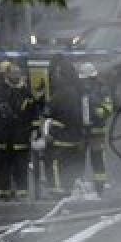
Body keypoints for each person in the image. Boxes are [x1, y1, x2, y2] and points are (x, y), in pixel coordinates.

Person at [0, 61, 40, 200]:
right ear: (7, 74)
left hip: (21, 139)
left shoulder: (26, 93)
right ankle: (3, 195)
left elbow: (34, 115)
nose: (16, 75)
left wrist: (35, 131)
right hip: (2, 139)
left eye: (18, 73)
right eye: (13, 73)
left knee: (21, 168)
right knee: (2, 167)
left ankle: (22, 196)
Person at [42, 57, 86, 196]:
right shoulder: (79, 92)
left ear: (63, 75)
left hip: (59, 139)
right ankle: (69, 189)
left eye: (57, 73)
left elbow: (46, 116)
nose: (55, 76)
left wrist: (45, 133)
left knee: (53, 162)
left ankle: (57, 190)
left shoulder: (60, 94)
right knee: (71, 166)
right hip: (76, 139)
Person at [79, 62, 112, 193]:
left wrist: (97, 112)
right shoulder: (79, 89)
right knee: (78, 159)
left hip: (97, 131)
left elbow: (108, 108)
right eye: (83, 79)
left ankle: (100, 188)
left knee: (97, 159)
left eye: (87, 79)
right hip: (81, 131)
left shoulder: (102, 88)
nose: (85, 82)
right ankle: (78, 187)